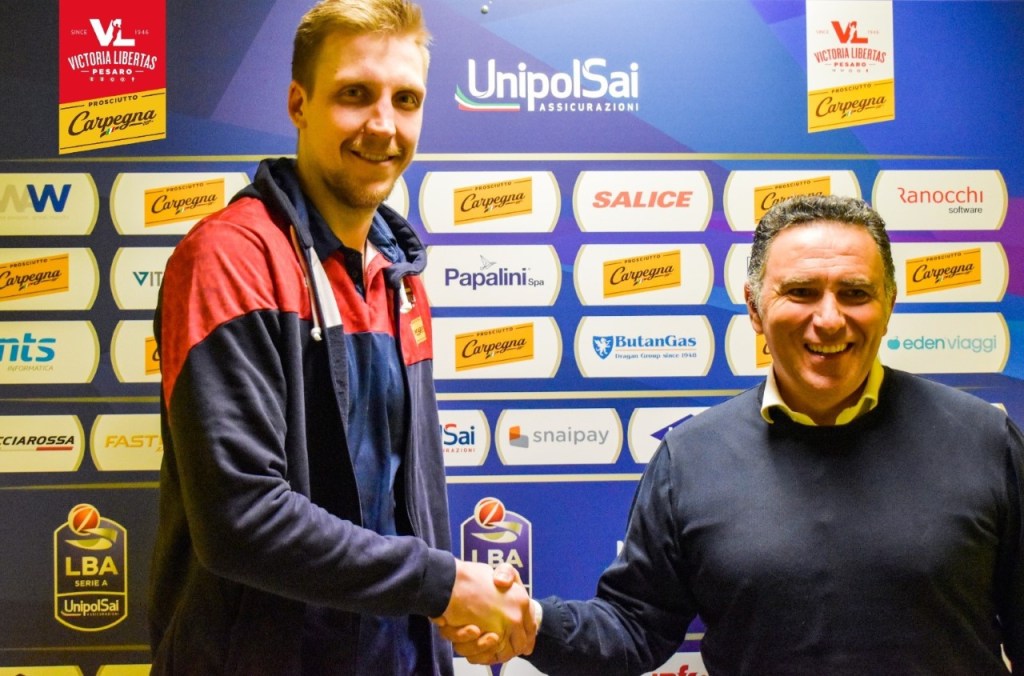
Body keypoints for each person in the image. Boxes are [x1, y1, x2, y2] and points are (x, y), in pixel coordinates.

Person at [446, 194, 1024, 674]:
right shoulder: (690, 458)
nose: (829, 318)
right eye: (801, 292)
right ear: (753, 307)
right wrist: (533, 624)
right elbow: (634, 626)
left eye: (855, 293)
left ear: (889, 304)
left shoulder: (984, 440)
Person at [147, 1, 533, 673]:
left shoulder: (400, 278)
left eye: (405, 100)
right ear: (299, 104)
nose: (383, 125)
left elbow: (413, 507)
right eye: (355, 95)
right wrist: (444, 585)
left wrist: (450, 620)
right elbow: (242, 519)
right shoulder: (231, 259)